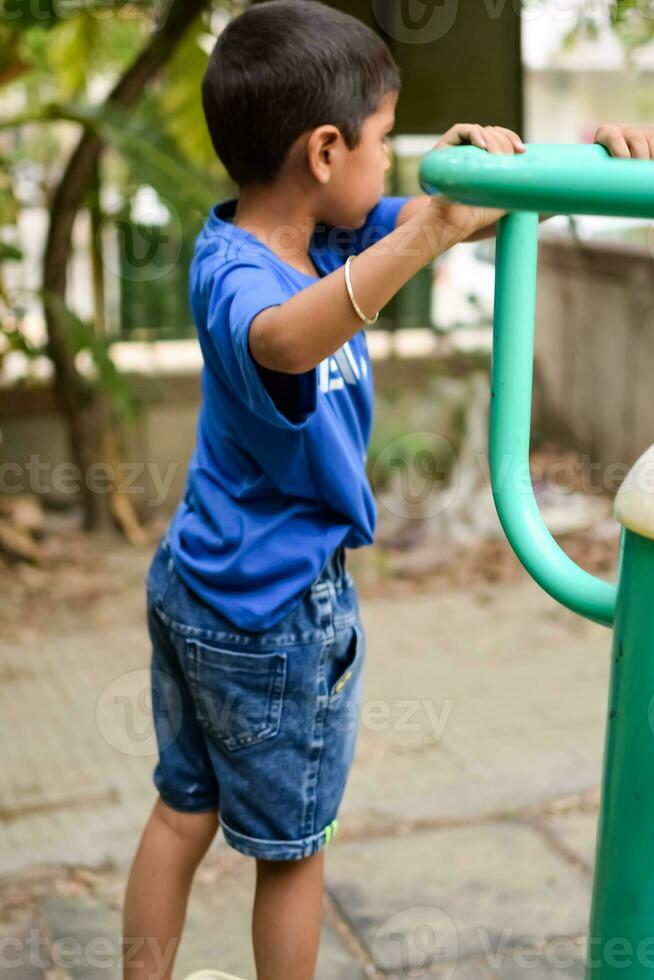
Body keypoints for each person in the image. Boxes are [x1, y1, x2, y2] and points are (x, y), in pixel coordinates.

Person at [121, 3, 654, 978]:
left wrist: (572, 161)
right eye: (382, 138)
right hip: (273, 613)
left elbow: (452, 215)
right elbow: (282, 337)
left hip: (197, 583)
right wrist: (420, 239)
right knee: (290, 852)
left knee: (182, 807)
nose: (391, 160)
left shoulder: (330, 231)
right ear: (324, 150)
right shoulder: (236, 269)